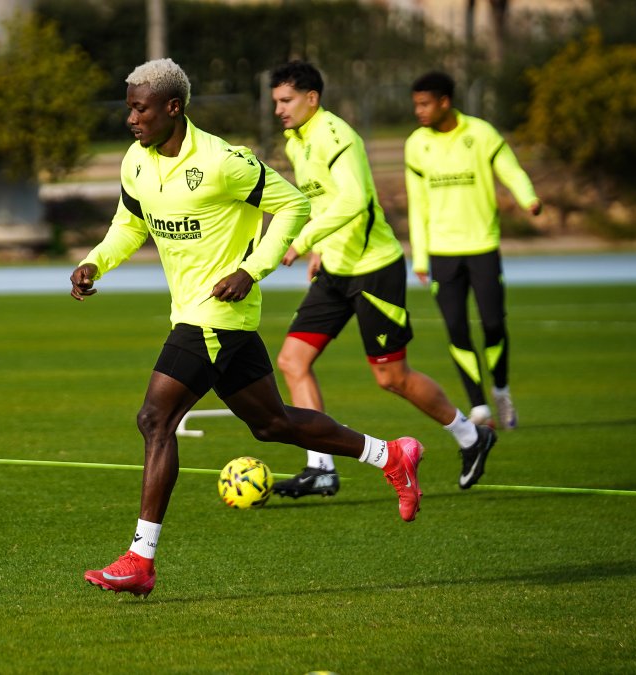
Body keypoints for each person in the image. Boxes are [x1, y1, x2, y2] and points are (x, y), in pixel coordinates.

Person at [70, 58, 425, 599]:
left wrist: (251, 268)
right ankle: (390, 454)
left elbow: (294, 205)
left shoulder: (222, 162)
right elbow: (129, 222)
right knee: (273, 424)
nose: (130, 119)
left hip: (214, 315)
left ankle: (140, 558)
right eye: (128, 109)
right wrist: (96, 261)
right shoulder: (135, 162)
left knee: (154, 418)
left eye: (140, 109)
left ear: (173, 107)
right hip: (199, 316)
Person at [267, 61, 496, 500]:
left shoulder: (337, 137)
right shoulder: (296, 142)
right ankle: (321, 468)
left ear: (312, 98)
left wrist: (304, 241)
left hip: (374, 270)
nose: (278, 109)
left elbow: (354, 199)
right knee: (293, 361)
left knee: (392, 378)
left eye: (286, 100)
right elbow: (322, 201)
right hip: (335, 270)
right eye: (276, 101)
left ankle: (472, 436)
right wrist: (320, 250)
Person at [405, 71, 541, 430]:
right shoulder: (417, 144)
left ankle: (501, 390)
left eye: (424, 104)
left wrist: (528, 198)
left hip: (482, 246)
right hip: (441, 253)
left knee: (494, 324)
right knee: (456, 328)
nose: (418, 111)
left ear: (444, 102)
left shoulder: (481, 134)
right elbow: (417, 205)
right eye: (415, 104)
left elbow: (510, 170)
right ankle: (479, 407)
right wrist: (419, 257)